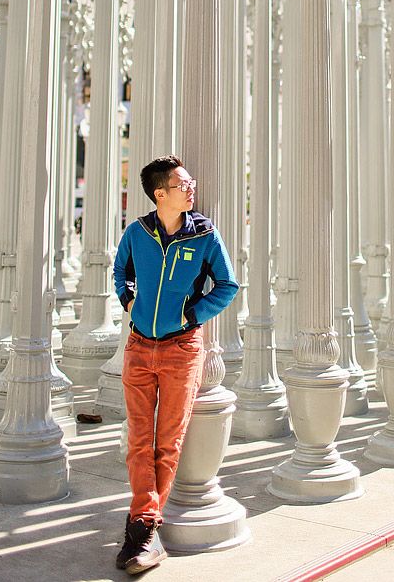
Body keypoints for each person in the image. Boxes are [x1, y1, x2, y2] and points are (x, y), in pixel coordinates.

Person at [113, 155, 239, 574]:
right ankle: (143, 526)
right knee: (138, 440)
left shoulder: (204, 236)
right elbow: (121, 273)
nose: (192, 187)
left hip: (181, 350)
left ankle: (143, 528)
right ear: (160, 193)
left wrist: (190, 317)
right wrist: (130, 302)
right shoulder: (137, 233)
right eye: (184, 183)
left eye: (192, 181)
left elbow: (227, 285)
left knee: (166, 442)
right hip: (137, 347)